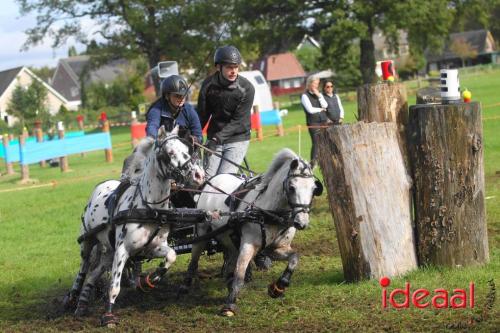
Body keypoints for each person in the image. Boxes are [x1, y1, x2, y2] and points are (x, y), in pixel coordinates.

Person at [121, 74, 203, 180]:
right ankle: (123, 185)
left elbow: (199, 136)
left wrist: (193, 139)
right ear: (167, 96)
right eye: (177, 96)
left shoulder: (190, 110)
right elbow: (152, 130)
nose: (182, 99)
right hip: (162, 150)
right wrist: (159, 142)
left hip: (185, 152)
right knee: (133, 158)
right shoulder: (156, 110)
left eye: (184, 95)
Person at [197, 45, 255, 178]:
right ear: (218, 67)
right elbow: (202, 115)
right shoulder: (207, 85)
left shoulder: (247, 88)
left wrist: (217, 139)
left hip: (237, 138)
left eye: (236, 67)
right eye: (229, 67)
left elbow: (238, 122)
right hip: (214, 138)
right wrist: (193, 135)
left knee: (223, 180)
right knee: (207, 180)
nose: (234, 71)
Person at [301, 75, 329, 168]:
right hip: (313, 122)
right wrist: (321, 109)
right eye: (314, 84)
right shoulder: (305, 96)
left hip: (323, 120)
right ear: (309, 83)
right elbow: (310, 110)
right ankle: (313, 164)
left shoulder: (318, 94)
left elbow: (325, 105)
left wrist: (319, 96)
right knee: (316, 143)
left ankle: (324, 161)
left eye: (317, 84)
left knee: (326, 141)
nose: (316, 86)